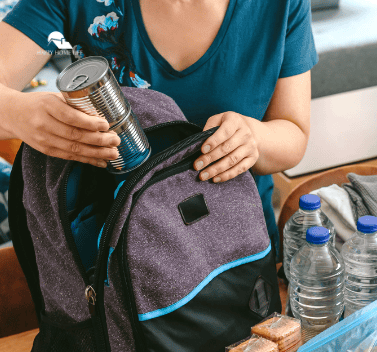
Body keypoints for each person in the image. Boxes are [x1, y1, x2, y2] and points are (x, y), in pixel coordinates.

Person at [0, 0, 318, 251]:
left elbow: (294, 133)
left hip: (238, 252)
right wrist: (17, 113)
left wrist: (255, 139)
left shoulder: (281, 5)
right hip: (116, 263)